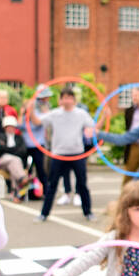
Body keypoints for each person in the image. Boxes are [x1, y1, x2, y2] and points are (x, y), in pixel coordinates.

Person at [33, 86, 95, 223]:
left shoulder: (81, 114)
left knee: (83, 184)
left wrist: (105, 116)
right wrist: (29, 110)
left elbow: (92, 127)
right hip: (59, 154)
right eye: (64, 98)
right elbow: (37, 121)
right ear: (60, 100)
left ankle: (88, 212)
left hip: (77, 154)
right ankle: (44, 214)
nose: (67, 100)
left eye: (69, 97)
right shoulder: (55, 114)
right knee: (52, 185)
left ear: (74, 100)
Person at [123, 87, 139, 173]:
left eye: (136, 95)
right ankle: (127, 187)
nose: (133, 97)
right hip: (134, 145)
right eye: (132, 95)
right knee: (129, 172)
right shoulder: (129, 110)